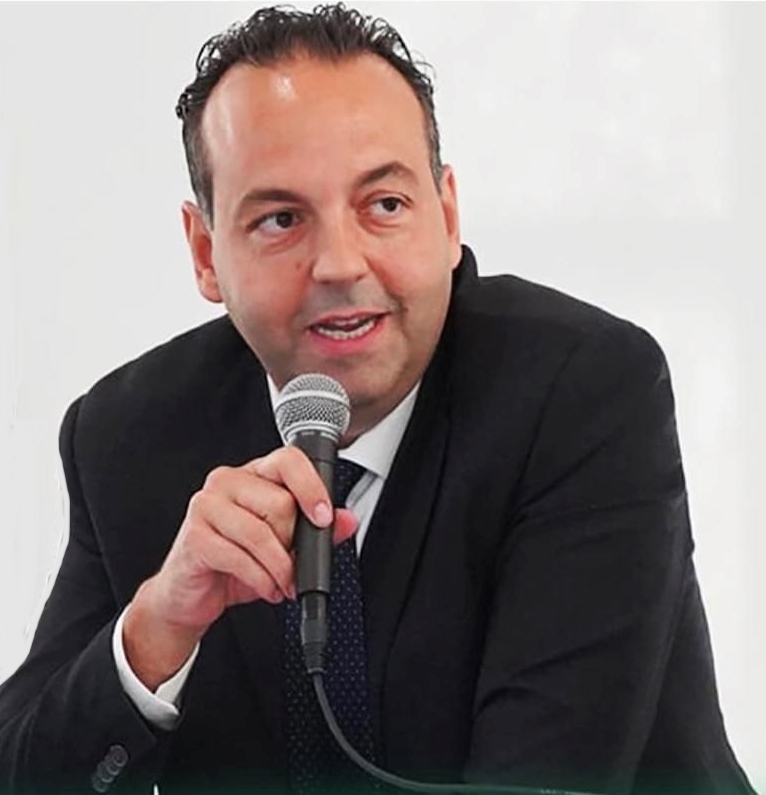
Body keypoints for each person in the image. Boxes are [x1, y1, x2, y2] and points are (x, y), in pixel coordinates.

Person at [0, 4, 756, 795]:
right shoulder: (128, 436)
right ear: (204, 253)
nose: (339, 262)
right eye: (281, 219)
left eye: (384, 205)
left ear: (447, 215)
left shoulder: (582, 393)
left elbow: (543, 778)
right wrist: (159, 629)